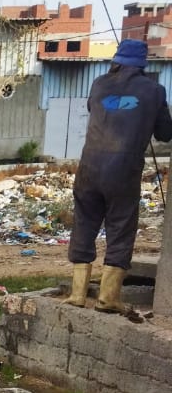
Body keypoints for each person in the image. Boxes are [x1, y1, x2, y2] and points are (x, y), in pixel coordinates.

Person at [65, 38, 172, 312]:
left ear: (116, 60)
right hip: (123, 170)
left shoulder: (99, 84)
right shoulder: (154, 90)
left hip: (89, 167)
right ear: (142, 64)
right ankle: (108, 298)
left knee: (84, 223)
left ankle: (77, 294)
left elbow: (94, 109)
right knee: (121, 227)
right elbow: (165, 133)